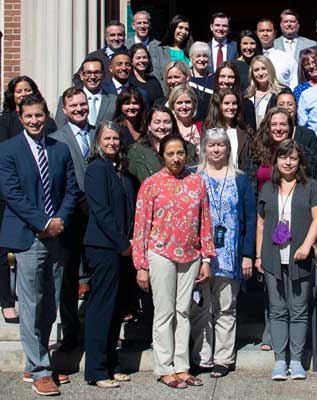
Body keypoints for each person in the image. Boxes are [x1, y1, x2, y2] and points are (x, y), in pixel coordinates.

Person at [0, 94, 79, 395]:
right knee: (31, 305)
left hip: (57, 236)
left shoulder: (59, 149)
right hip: (27, 236)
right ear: (20, 117)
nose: (34, 121)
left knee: (49, 305)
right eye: (28, 116)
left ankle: (36, 361)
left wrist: (59, 220)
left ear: (47, 115)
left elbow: (71, 189)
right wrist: (43, 223)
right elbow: (12, 194)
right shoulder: (8, 150)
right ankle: (41, 370)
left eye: (39, 115)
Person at [132, 134, 215, 388]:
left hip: (190, 255)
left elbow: (205, 222)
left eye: (180, 153)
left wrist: (207, 258)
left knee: (184, 312)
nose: (176, 158)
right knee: (164, 312)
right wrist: (141, 265)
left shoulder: (197, 182)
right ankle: (164, 366)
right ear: (162, 156)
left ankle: (182, 366)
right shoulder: (151, 184)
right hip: (160, 254)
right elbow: (141, 226)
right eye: (170, 154)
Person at [190, 128, 257, 378]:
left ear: (228, 149)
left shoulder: (240, 179)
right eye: (212, 145)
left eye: (221, 145)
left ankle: (223, 358)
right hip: (200, 255)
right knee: (201, 308)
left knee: (226, 307)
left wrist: (248, 254)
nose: (216, 150)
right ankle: (202, 356)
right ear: (203, 149)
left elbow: (250, 219)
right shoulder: (193, 177)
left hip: (230, 254)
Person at [256, 139, 317, 380]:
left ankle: (296, 360)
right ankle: (279, 360)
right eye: (283, 157)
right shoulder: (267, 188)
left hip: (299, 256)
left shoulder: (310, 186)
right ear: (276, 161)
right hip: (273, 258)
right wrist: (258, 255)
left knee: (298, 310)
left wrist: (307, 245)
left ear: (300, 161)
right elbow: (261, 224)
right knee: (277, 310)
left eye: (293, 158)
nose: (288, 162)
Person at [83, 120, 135, 388]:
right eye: (107, 139)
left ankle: (111, 364)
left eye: (116, 139)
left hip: (123, 248)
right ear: (98, 141)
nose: (113, 143)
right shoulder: (96, 169)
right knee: (102, 308)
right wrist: (121, 243)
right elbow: (101, 212)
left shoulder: (121, 172)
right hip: (104, 247)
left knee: (116, 309)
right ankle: (96, 369)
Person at [49, 87, 95, 351]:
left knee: (98, 275)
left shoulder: (98, 133)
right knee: (68, 278)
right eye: (73, 106)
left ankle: (96, 329)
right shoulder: (56, 139)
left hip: (97, 217)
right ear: (64, 110)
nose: (79, 109)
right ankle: (70, 331)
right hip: (71, 218)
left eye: (82, 104)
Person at [127, 106, 195, 186]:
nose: (162, 127)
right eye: (157, 122)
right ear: (149, 125)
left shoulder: (188, 148)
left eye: (167, 122)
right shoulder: (136, 151)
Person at [57, 57, 117, 127]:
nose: (92, 77)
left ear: (103, 75)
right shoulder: (66, 99)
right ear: (81, 76)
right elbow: (59, 128)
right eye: (88, 73)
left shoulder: (114, 101)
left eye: (97, 72)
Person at [203, 88, 253, 172]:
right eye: (226, 103)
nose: (231, 107)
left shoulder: (245, 131)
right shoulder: (208, 130)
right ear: (218, 105)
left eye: (234, 103)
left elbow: (250, 163)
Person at [275, 91, 317, 177]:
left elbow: (315, 167)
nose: (286, 108)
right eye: (281, 104)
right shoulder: (271, 134)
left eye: (290, 104)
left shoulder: (308, 135)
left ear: (296, 108)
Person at [249, 107, 295, 190]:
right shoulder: (257, 151)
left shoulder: (297, 152)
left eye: (283, 124)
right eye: (274, 124)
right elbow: (251, 184)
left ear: (290, 127)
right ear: (268, 127)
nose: (278, 129)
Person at [211, 62, 258, 132]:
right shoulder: (210, 101)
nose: (226, 81)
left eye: (231, 77)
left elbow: (252, 134)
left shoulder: (247, 105)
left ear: (236, 80)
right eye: (222, 76)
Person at [245, 55, 289, 127]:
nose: (261, 73)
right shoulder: (248, 94)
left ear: (270, 69)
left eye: (264, 68)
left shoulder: (282, 92)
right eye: (256, 70)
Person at [257, 19, 299, 89]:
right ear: (256, 33)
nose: (265, 34)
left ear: (275, 33)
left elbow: (294, 85)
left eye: (269, 30)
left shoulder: (287, 58)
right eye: (262, 31)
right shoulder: (251, 57)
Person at [154, 14, 193, 88]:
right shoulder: (159, 50)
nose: (183, 32)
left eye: (186, 29)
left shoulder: (191, 51)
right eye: (180, 27)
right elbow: (157, 76)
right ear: (173, 28)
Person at [125, 10, 162, 82]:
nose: (142, 26)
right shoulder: (125, 45)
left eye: (145, 23)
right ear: (133, 26)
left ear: (150, 25)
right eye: (139, 23)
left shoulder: (160, 46)